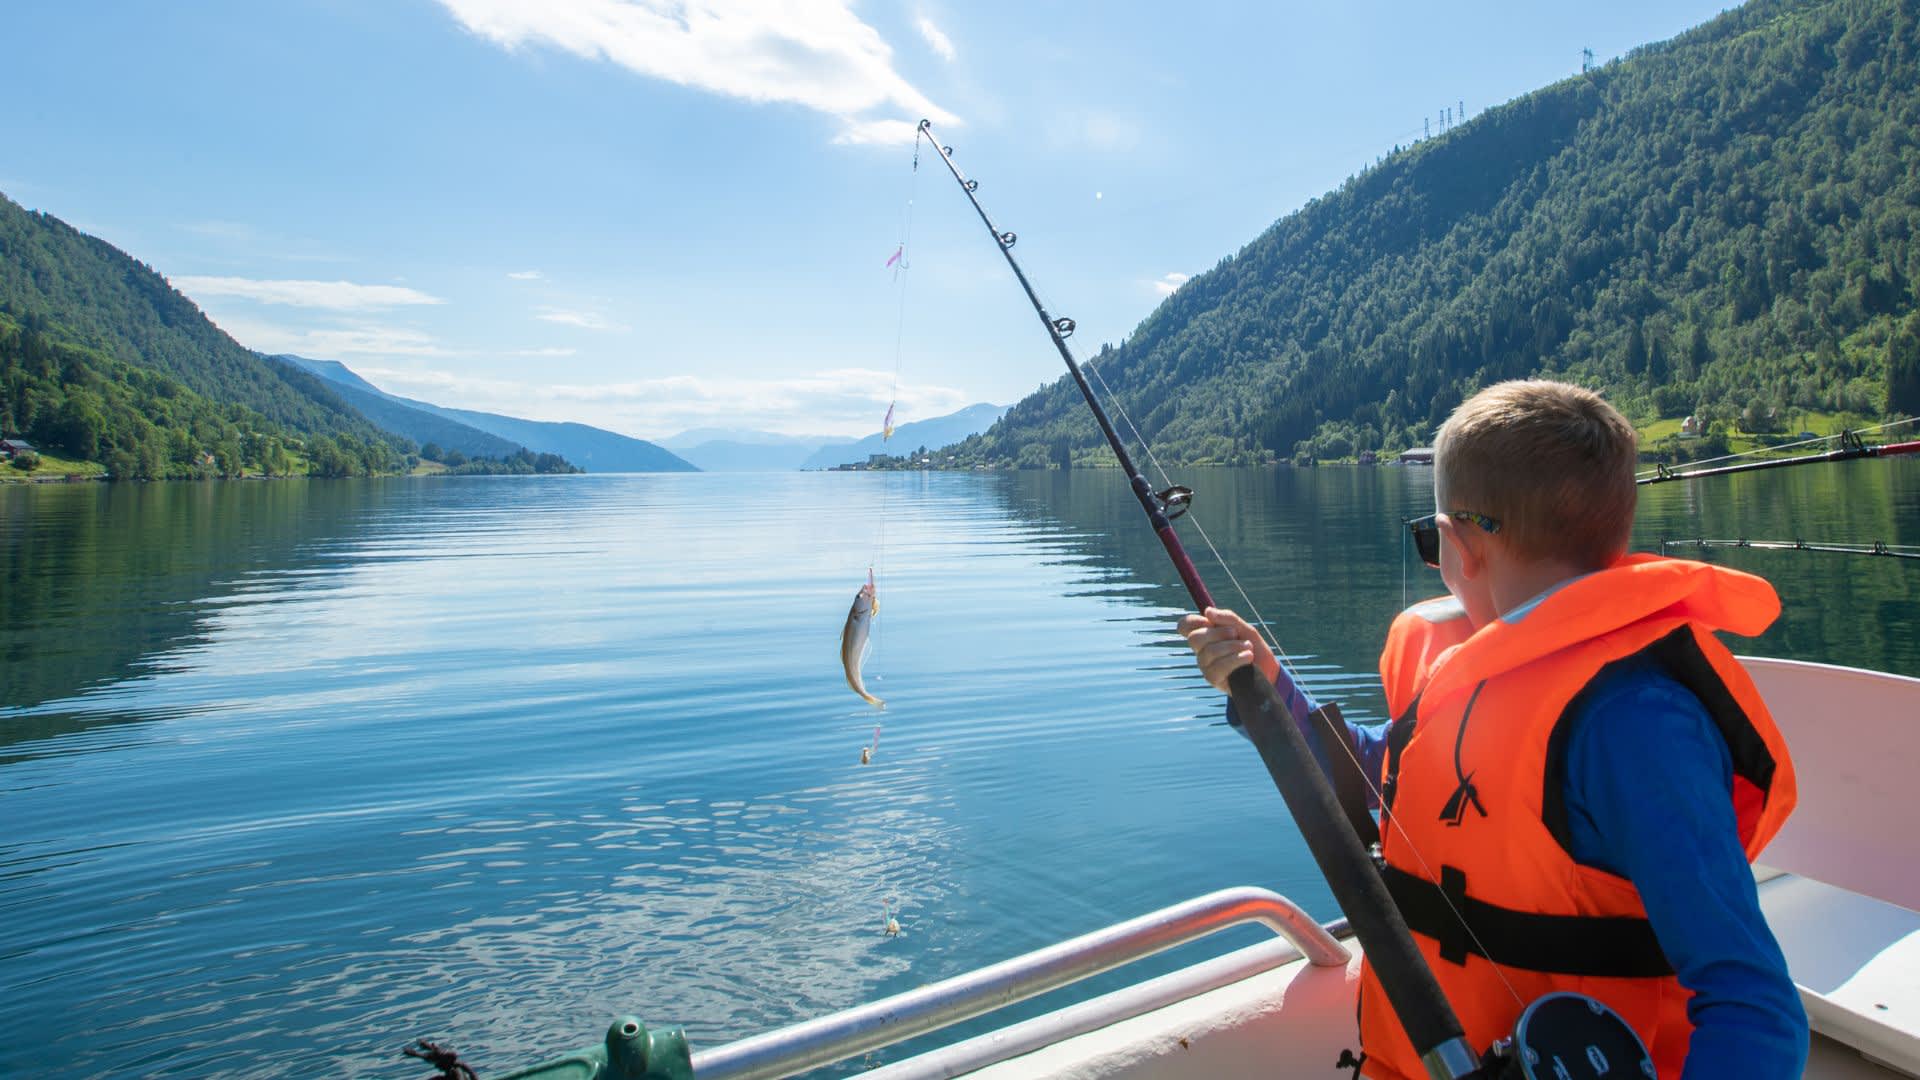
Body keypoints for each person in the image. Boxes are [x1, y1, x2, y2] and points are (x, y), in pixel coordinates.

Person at [1180, 380, 1806, 1079]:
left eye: (1431, 538)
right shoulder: (1469, 671)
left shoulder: (1634, 721)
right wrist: (1269, 691)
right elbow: (1376, 782)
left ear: (1457, 546)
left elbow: (1754, 1006)